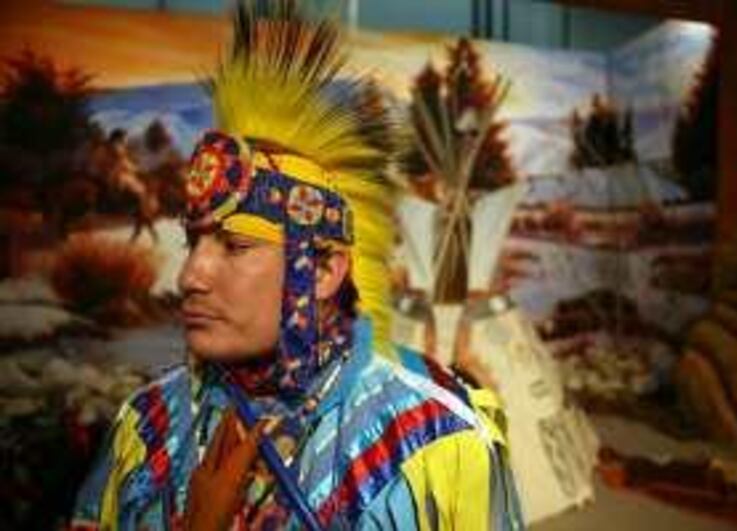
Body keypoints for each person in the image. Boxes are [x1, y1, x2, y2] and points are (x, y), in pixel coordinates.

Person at [70, 1, 523, 529]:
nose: (190, 275)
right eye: (193, 243)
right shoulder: (145, 426)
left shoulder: (436, 441)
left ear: (326, 271)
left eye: (235, 247)